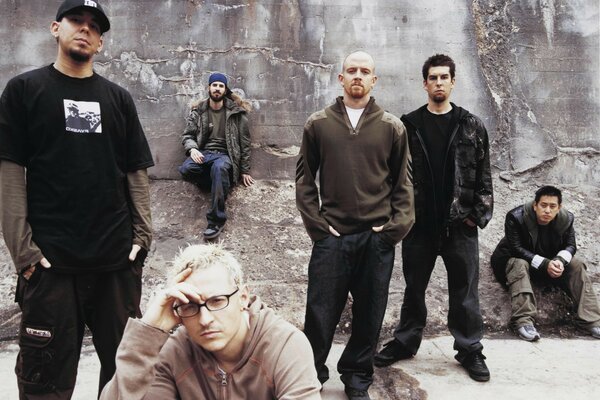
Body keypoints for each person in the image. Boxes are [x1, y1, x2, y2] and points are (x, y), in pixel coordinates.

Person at [0, 1, 154, 398]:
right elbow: (11, 170)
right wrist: (25, 255)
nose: (84, 29)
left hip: (116, 263)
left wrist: (142, 238)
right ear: (56, 28)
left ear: (101, 42)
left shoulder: (118, 99)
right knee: (44, 379)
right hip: (52, 266)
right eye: (76, 21)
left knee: (127, 374)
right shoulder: (25, 90)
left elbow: (135, 170)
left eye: (94, 26)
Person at [296, 50, 414, 400]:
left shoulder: (391, 126)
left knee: (370, 313)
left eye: (365, 71)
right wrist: (318, 226)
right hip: (332, 238)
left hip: (375, 239)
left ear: (374, 80)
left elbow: (404, 185)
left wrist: (392, 232)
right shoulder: (318, 124)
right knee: (319, 312)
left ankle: (357, 377)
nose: (358, 76)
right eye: (352, 70)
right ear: (341, 78)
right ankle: (308, 376)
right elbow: (304, 180)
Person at [374, 54, 494, 382]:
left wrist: (476, 217)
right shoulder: (408, 125)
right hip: (419, 227)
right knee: (414, 289)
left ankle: (470, 348)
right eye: (433, 77)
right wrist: (399, 216)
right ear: (424, 83)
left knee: (465, 292)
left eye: (444, 77)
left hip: (460, 227)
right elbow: (392, 174)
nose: (439, 82)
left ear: (453, 82)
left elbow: (484, 173)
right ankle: (406, 341)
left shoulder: (471, 124)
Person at [100, 244, 322, 400]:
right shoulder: (171, 352)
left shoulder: (285, 345)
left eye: (217, 301)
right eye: (191, 306)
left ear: (243, 297)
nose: (205, 320)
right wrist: (148, 333)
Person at [490, 185, 600, 341]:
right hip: (511, 262)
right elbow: (516, 248)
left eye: (552, 206)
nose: (547, 210)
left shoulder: (566, 219)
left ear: (559, 207)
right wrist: (545, 264)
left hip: (546, 265)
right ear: (535, 205)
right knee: (519, 263)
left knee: (577, 264)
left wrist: (559, 261)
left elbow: (571, 246)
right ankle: (523, 321)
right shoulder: (516, 217)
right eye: (543, 205)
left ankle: (591, 321)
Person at [179, 73, 254, 240]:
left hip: (225, 156)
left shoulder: (236, 113)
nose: (217, 89)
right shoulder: (198, 111)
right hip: (205, 154)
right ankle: (219, 183)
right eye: (215, 85)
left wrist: (244, 170)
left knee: (220, 168)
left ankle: (216, 221)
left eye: (221, 86)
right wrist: (192, 149)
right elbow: (187, 136)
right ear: (209, 88)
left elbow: (245, 144)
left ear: (225, 89)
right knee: (186, 169)